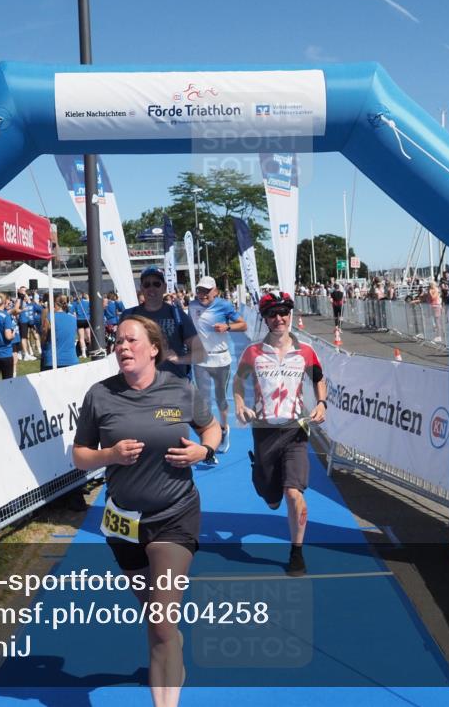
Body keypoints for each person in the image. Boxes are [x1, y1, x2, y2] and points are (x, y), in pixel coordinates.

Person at [73, 316, 220, 707]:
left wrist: (203, 451)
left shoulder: (180, 390)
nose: (122, 347)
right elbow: (80, 456)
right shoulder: (99, 396)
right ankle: (172, 649)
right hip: (124, 522)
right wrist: (110, 455)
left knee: (159, 622)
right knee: (159, 621)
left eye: (130, 340)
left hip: (175, 513)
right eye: (117, 341)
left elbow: (212, 429)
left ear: (153, 348)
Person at [233, 292, 327, 577]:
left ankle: (296, 552)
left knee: (293, 492)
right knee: (271, 497)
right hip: (263, 431)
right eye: (272, 314)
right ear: (265, 318)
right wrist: (239, 403)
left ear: (289, 314)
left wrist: (321, 403)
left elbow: (319, 378)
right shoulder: (253, 352)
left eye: (284, 312)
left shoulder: (306, 350)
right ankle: (260, 475)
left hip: (296, 429)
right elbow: (239, 381)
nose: (279, 318)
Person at [187, 276, 247, 460]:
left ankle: (224, 428)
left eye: (206, 291)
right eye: (199, 290)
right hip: (200, 360)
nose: (202, 294)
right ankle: (209, 439)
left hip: (221, 359)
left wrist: (227, 327)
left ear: (215, 291)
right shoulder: (191, 306)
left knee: (220, 398)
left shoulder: (224, 305)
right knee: (203, 402)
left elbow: (243, 325)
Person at [122, 267, 202, 380]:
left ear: (164, 287)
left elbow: (201, 352)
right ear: (141, 289)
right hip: (138, 383)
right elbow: (120, 348)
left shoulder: (178, 315)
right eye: (147, 285)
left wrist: (179, 359)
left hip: (173, 383)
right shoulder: (129, 315)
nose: (151, 288)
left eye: (156, 284)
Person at [40, 295, 80, 370]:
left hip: (53, 360)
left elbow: (43, 338)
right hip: (71, 359)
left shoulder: (49, 318)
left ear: (54, 304)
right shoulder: (73, 318)